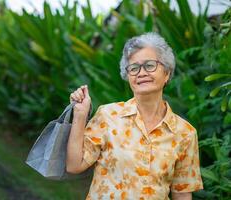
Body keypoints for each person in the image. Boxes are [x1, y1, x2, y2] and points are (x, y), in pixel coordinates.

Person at [66, 32, 203, 200]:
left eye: (150, 65)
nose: (141, 72)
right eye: (134, 68)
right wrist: (80, 115)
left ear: (166, 73)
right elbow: (74, 165)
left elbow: (182, 194)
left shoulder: (185, 133)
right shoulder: (108, 116)